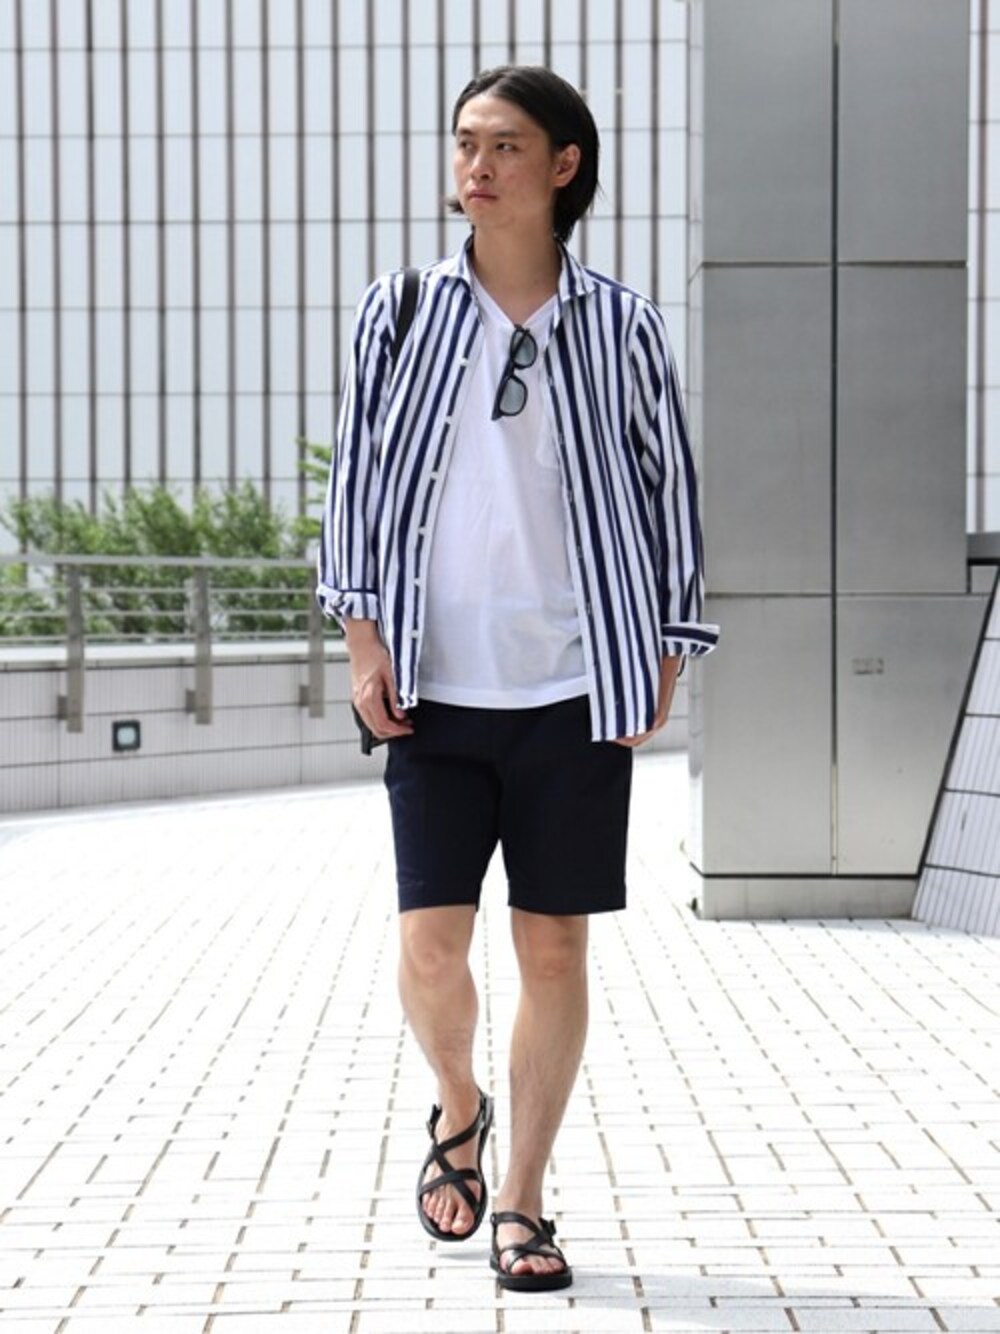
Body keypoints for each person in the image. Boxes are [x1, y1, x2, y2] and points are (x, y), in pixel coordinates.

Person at [317, 64, 718, 1292]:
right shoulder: (400, 312)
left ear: (563, 165)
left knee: (552, 951)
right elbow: (357, 482)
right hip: (433, 684)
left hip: (572, 686)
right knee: (432, 945)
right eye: (463, 144)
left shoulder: (621, 326)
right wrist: (363, 639)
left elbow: (668, 491)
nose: (475, 166)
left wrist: (663, 648)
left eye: (501, 145)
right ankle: (458, 1103)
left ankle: (525, 1198)